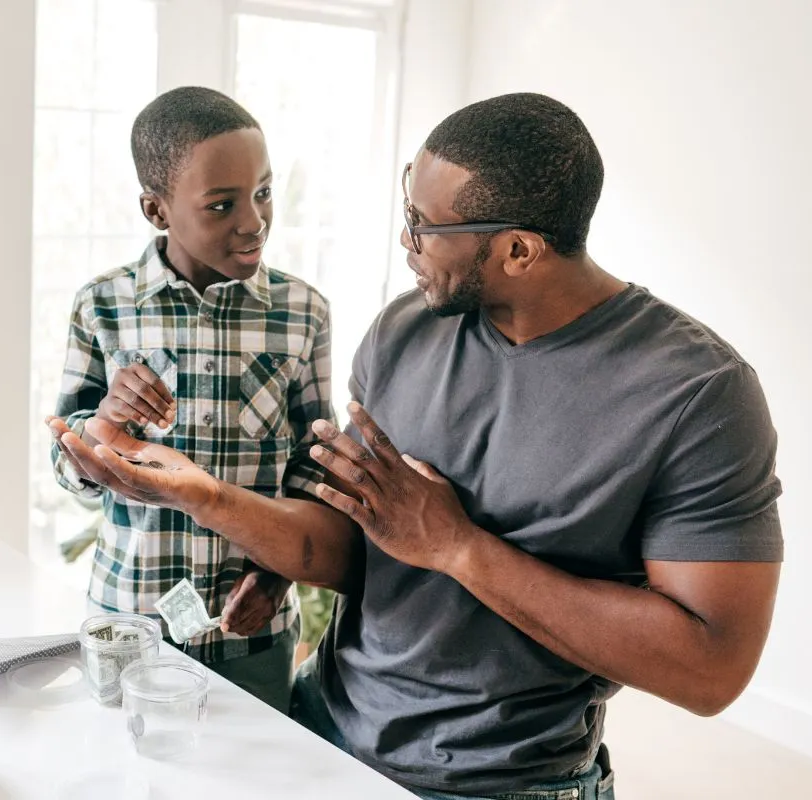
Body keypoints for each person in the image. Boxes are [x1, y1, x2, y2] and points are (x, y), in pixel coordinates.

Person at [47, 92, 784, 799]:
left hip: (511, 785)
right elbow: (345, 547)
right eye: (408, 207)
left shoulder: (699, 394)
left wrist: (459, 546)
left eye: (423, 225)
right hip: (320, 739)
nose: (406, 241)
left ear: (519, 249)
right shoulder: (406, 330)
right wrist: (200, 496)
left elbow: (710, 672)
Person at [48, 86, 336, 713]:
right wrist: (105, 421)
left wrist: (279, 571)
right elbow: (70, 471)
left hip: (253, 638)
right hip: (129, 628)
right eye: (221, 204)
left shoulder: (303, 312)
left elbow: (316, 471)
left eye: (262, 192)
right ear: (156, 209)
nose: (253, 220)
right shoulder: (103, 306)